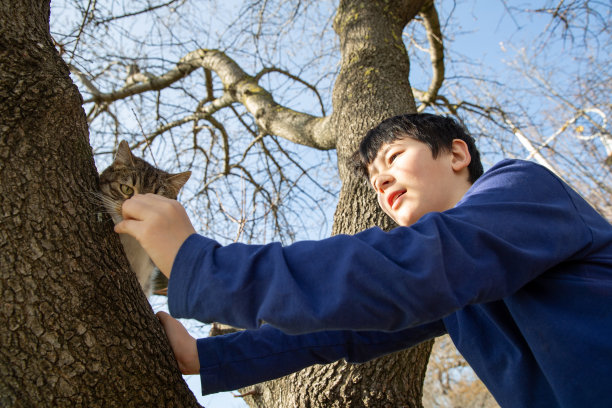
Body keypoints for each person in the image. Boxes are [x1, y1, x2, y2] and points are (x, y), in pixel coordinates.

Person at [115, 114, 612, 407]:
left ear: (457, 155)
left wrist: (201, 265)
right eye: (373, 179)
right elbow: (344, 332)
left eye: (393, 158)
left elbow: (410, 265)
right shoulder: (463, 289)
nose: (382, 183)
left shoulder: (524, 188)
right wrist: (210, 357)